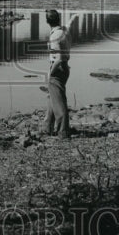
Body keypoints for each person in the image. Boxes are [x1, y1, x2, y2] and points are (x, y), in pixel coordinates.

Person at [43, 8, 71, 139]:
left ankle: (63, 132)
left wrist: (50, 74)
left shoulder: (54, 35)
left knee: (58, 102)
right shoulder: (64, 32)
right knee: (52, 97)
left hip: (57, 69)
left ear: (47, 21)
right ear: (58, 19)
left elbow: (58, 58)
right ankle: (47, 127)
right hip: (65, 68)